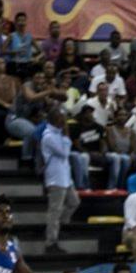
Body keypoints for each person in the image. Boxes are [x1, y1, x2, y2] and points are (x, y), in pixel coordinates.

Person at [40, 109, 79, 254]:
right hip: (55, 178)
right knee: (54, 211)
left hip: (65, 177)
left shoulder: (58, 134)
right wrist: (67, 135)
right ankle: (50, 242)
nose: (64, 121)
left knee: (74, 202)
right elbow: (64, 153)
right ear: (55, 119)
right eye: (62, 118)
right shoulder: (49, 136)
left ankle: (57, 227)